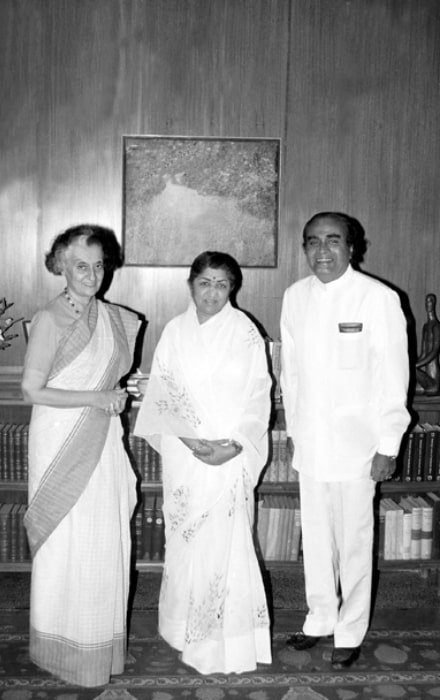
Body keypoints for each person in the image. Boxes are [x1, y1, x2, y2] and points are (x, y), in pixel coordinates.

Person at [280, 212, 410, 669]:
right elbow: (290, 375)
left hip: (359, 446)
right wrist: (294, 433)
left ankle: (350, 629)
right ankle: (318, 618)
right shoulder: (295, 297)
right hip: (312, 443)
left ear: (353, 247)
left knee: (355, 542)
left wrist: (387, 445)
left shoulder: (378, 298)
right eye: (312, 242)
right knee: (315, 539)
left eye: (333, 241)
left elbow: (394, 378)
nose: (322, 251)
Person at [133, 251, 272, 674]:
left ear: (233, 289)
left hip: (231, 455)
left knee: (226, 545)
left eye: (222, 284)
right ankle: (181, 629)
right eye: (205, 283)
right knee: (186, 543)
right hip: (186, 455)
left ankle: (225, 641)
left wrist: (234, 445)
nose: (212, 293)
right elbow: (162, 394)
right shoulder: (175, 332)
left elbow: (258, 395)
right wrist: (194, 443)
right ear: (191, 284)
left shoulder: (245, 332)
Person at [21, 224, 140, 687]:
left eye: (97, 265)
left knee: (103, 539)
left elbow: (110, 384)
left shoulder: (114, 319)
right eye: (79, 266)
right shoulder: (50, 319)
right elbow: (31, 390)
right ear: (60, 267)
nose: (91, 274)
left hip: (102, 440)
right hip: (60, 443)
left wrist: (119, 394)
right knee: (66, 544)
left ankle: (98, 648)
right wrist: (96, 398)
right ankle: (60, 649)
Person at [415, 293, 440, 395]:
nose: (428, 304)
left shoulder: (437, 326)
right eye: (426, 301)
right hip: (426, 374)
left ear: (434, 303)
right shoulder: (426, 326)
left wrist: (416, 365)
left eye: (430, 301)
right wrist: (413, 363)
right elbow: (423, 353)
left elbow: (434, 351)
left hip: (434, 378)